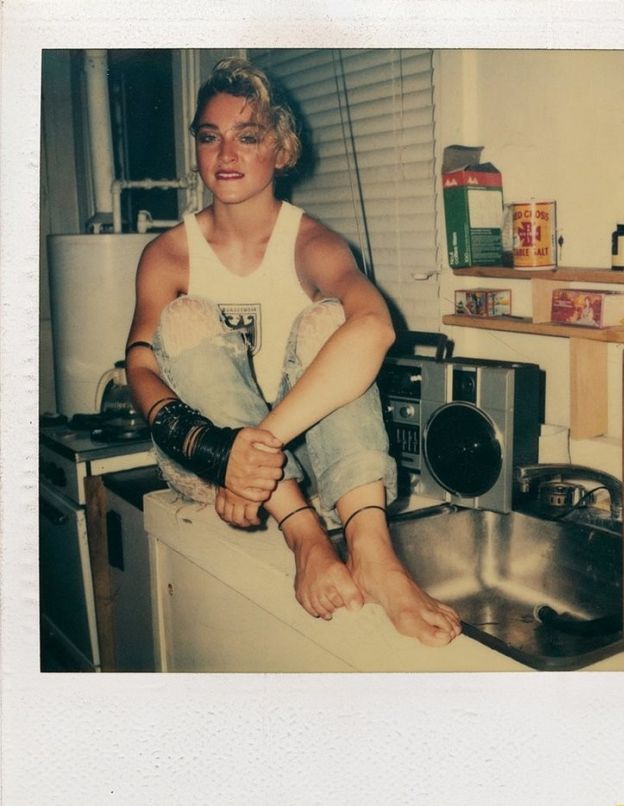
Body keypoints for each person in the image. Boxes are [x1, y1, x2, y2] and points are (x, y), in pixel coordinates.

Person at [125, 57, 460, 647]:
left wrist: (255, 449)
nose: (226, 153)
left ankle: (373, 553)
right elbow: (141, 365)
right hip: (203, 459)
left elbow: (376, 328)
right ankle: (305, 537)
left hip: (296, 458)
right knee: (184, 318)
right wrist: (219, 451)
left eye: (248, 136)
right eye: (211, 136)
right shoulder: (168, 254)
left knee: (334, 319)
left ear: (280, 150)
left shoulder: (312, 242)